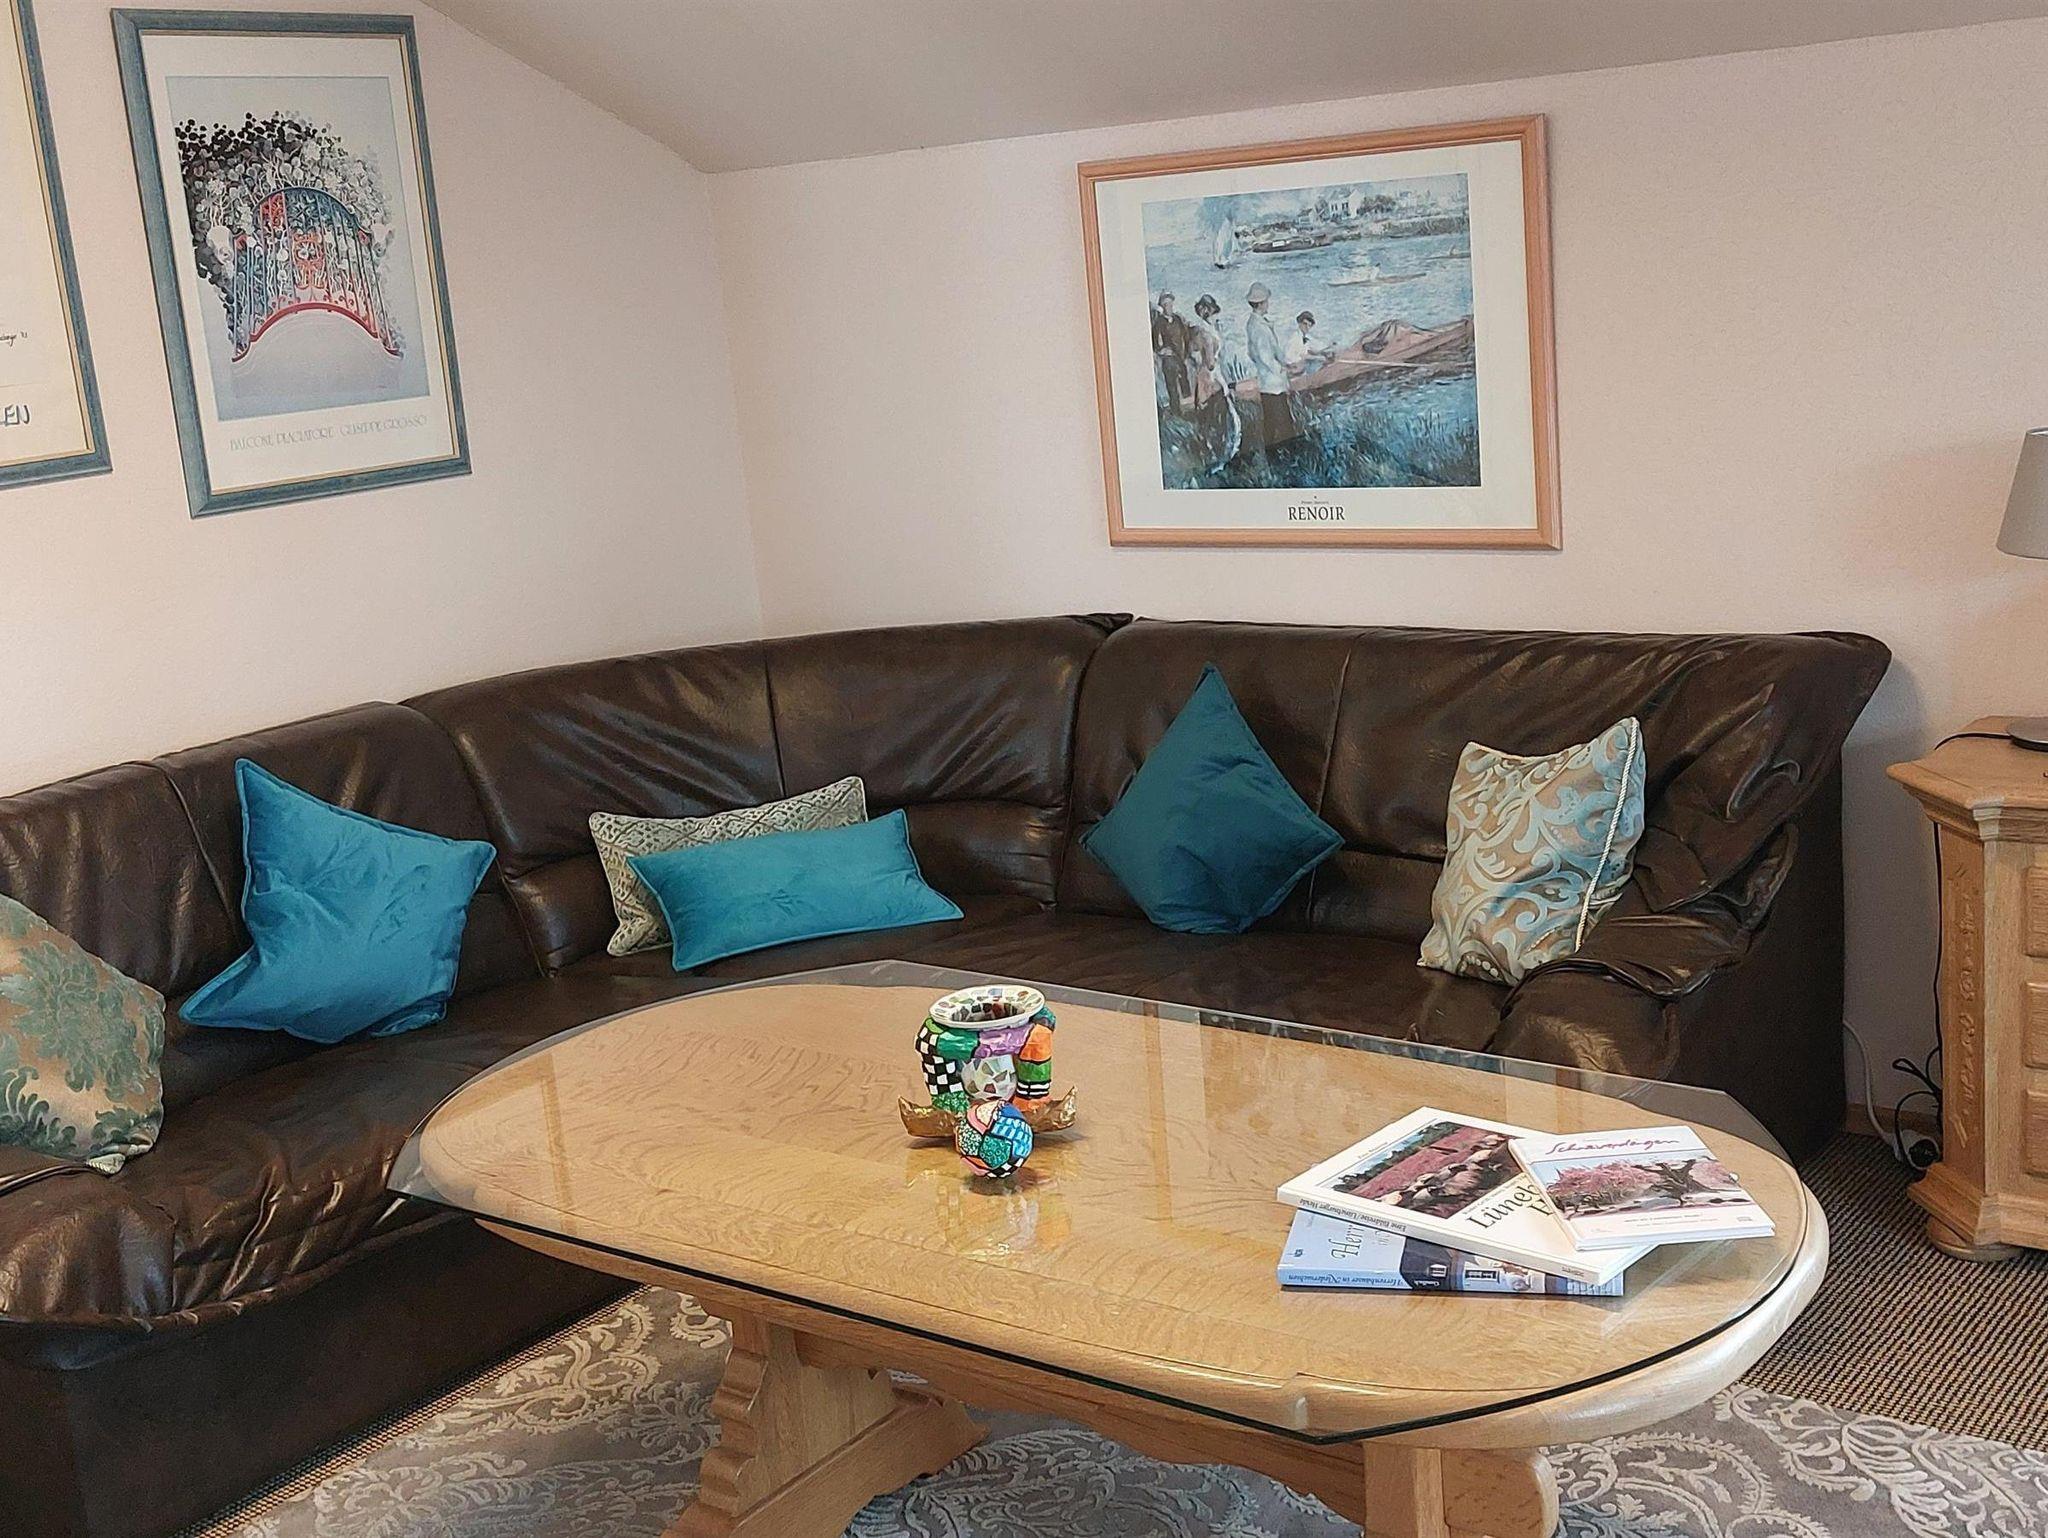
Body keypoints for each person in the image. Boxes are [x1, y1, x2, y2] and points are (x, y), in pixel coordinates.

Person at [1244, 282, 1295, 451]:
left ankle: (1277, 455)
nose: (1268, 304)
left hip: (1269, 381)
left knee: (1273, 423)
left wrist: (1284, 362)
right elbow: (1264, 356)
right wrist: (1281, 369)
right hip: (1272, 383)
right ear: (1260, 304)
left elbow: (1254, 353)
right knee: (1280, 425)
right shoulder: (1257, 327)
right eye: (1266, 301)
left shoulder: (1258, 323)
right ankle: (1284, 456)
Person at [1150, 291, 1191, 412]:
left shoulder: (1178, 319)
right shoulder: (1159, 322)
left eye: (1171, 305)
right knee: (1171, 384)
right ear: (1162, 306)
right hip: (1169, 358)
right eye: (1166, 305)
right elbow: (1154, 341)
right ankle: (1176, 410)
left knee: (1184, 380)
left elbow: (1186, 335)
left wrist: (1186, 353)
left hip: (1180, 356)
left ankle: (1190, 407)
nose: (1169, 307)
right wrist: (1162, 350)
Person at [1284, 310, 1335, 374]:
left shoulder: (1306, 337)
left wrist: (1328, 348)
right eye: (1305, 324)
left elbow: (1316, 348)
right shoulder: (1295, 338)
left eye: (1309, 325)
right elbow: (1299, 357)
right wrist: (1318, 358)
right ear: (1299, 323)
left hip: (1302, 366)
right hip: (1294, 369)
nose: (1307, 327)